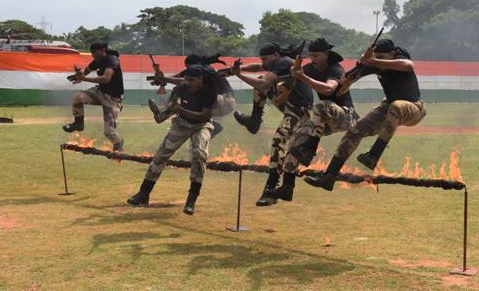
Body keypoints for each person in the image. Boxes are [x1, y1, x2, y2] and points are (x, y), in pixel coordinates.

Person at [304, 39, 426, 191]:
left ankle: (373, 155)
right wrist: (354, 72)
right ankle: (329, 176)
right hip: (388, 106)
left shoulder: (400, 59)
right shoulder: (376, 63)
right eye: (377, 57)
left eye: (382, 57)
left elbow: (409, 65)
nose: (379, 61)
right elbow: (350, 77)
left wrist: (374, 61)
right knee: (355, 131)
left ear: (392, 54)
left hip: (414, 108)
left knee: (396, 106)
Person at [265, 38, 357, 202]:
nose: (313, 59)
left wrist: (302, 76)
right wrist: (286, 84)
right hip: (323, 120)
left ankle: (311, 148)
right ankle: (287, 187)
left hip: (345, 116)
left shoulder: (335, 68)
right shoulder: (308, 69)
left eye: (316, 55)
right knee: (294, 143)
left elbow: (329, 89)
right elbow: (290, 82)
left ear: (326, 54)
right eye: (311, 55)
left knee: (322, 105)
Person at [127, 65, 217, 215]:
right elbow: (172, 107)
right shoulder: (181, 89)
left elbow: (202, 116)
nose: (188, 83)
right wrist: (163, 114)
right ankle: (143, 193)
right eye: (186, 79)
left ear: (201, 79)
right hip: (182, 123)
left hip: (202, 125)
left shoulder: (210, 91)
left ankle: (191, 200)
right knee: (161, 155)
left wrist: (179, 110)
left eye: (192, 80)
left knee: (199, 154)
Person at [232, 42, 313, 206]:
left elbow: (263, 83)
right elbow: (258, 66)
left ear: (276, 55)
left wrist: (238, 75)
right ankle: (254, 121)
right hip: (289, 104)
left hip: (300, 110)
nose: (263, 62)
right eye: (262, 59)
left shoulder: (282, 63)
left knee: (278, 141)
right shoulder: (279, 62)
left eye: (266, 59)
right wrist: (238, 69)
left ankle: (271, 188)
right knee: (261, 79)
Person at [149, 54, 237, 137]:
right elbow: (175, 77)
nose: (189, 70)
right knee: (190, 109)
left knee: (181, 90)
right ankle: (214, 127)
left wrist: (163, 79)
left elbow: (182, 81)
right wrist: (159, 80)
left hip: (225, 101)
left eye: (188, 67)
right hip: (220, 103)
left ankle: (163, 114)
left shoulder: (205, 70)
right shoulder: (197, 69)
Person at [63, 42, 125, 151]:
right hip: (100, 92)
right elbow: (85, 71)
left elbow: (106, 78)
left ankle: (118, 142)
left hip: (113, 99)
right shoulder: (97, 61)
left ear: (102, 50)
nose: (93, 55)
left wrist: (83, 79)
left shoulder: (112, 60)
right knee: (79, 97)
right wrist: (78, 75)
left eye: (94, 52)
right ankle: (78, 124)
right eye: (91, 53)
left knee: (109, 133)